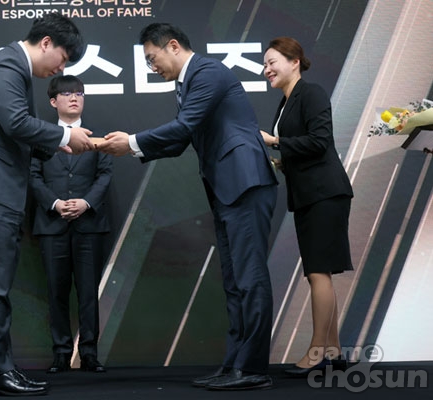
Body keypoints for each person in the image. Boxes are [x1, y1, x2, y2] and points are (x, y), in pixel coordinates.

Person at [96, 22, 278, 391]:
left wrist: (131, 142)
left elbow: (184, 127)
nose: (153, 67)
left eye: (153, 59)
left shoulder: (207, 72)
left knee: (249, 277)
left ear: (174, 46)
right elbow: (181, 140)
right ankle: (235, 364)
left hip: (244, 181)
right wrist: (130, 148)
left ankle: (253, 367)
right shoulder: (188, 83)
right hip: (227, 187)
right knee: (234, 281)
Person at [0, 13, 93, 396]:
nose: (61, 69)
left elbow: (15, 130)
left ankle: (0, 368)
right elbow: (15, 123)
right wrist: (65, 136)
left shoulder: (11, 66)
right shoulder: (7, 65)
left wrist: (59, 142)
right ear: (46, 43)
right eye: (63, 59)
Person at [260, 37, 353, 376]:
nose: (266, 69)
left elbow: (319, 140)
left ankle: (317, 353)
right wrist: (283, 161)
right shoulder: (286, 101)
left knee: (317, 272)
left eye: (272, 62)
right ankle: (334, 351)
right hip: (309, 193)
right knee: (320, 272)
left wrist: (275, 141)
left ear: (294, 61)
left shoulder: (310, 93)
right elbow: (303, 148)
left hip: (324, 193)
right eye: (265, 64)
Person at [29, 75, 112, 374]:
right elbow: (33, 176)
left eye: (79, 93)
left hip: (89, 225)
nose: (74, 98)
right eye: (67, 94)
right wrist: (55, 203)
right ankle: (61, 354)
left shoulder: (98, 137)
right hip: (52, 224)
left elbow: (105, 174)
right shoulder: (41, 138)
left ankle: (89, 353)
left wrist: (86, 202)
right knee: (56, 292)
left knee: (89, 292)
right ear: (54, 101)